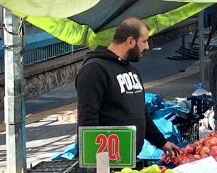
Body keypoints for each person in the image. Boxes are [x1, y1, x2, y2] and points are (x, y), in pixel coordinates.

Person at [76, 17, 180, 155]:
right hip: (106, 162)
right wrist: (99, 162)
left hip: (127, 161)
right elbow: (87, 120)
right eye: (144, 41)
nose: (147, 47)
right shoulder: (95, 70)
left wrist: (161, 142)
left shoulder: (132, 71)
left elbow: (141, 112)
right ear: (130, 41)